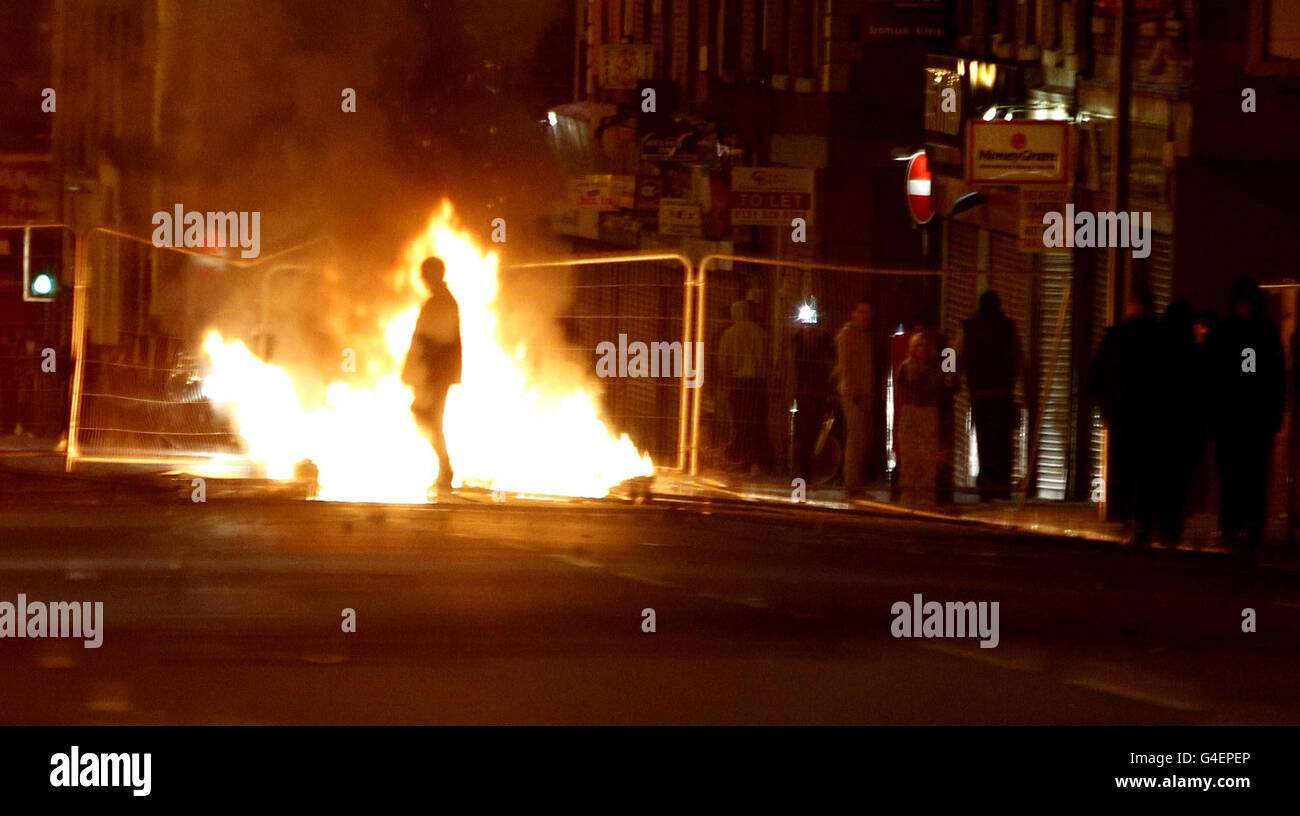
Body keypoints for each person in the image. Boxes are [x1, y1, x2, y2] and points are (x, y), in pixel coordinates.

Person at [1213, 278, 1284, 553]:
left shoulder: (1245, 334)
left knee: (1248, 475)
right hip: (1241, 418)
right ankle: (1237, 524)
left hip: (1248, 418)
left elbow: (1268, 377)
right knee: (1238, 475)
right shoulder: (1255, 333)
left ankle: (1246, 524)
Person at [1090, 291, 1161, 543]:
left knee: (1130, 467)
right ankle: (1138, 517)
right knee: (1141, 468)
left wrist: (1105, 406)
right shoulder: (1156, 337)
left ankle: (1133, 516)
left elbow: (1098, 375)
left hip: (1127, 414)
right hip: (1143, 414)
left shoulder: (1118, 337)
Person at [402, 257, 462, 494]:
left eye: (425, 275)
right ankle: (444, 471)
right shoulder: (438, 301)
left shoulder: (442, 303)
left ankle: (445, 471)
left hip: (435, 374)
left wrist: (422, 372)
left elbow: (436, 341)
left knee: (428, 418)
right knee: (427, 417)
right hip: (433, 373)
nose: (424, 280)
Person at [960, 291, 1022, 501]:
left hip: (980, 393)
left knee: (984, 442)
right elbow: (1018, 356)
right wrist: (1024, 384)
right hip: (1003, 393)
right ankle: (1002, 486)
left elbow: (953, 353)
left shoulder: (969, 327)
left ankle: (986, 487)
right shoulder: (1008, 327)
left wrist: (948, 375)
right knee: (1003, 441)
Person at [1153, 300, 1203, 546]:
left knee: (1161, 477)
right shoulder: (1193, 353)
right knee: (1178, 482)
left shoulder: (1159, 350)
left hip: (1162, 425)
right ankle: (1171, 528)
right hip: (1184, 428)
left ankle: (1160, 526)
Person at [717, 299, 771, 475]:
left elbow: (723, 361)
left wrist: (725, 379)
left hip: (737, 383)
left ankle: (740, 460)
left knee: (739, 422)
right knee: (756, 422)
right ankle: (756, 460)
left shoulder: (729, 334)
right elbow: (768, 360)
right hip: (757, 383)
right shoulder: (761, 334)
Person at [834, 298, 881, 498]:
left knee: (861, 439)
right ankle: (851, 484)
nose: (864, 316)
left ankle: (855, 483)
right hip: (854, 396)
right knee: (855, 439)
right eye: (861, 312)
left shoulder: (866, 336)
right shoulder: (847, 335)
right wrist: (851, 389)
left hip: (866, 395)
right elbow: (845, 366)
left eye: (867, 312)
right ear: (853, 313)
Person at [894, 330, 944, 506]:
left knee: (928, 455)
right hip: (911, 410)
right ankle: (909, 492)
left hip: (928, 410)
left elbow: (942, 384)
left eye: (924, 345)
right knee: (909, 455)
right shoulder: (906, 367)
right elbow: (900, 390)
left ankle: (926, 494)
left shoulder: (936, 367)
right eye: (918, 345)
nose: (921, 349)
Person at [791, 308, 834, 485]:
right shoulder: (805, 343)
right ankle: (802, 475)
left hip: (811, 394)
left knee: (807, 436)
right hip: (809, 395)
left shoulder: (811, 343)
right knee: (805, 436)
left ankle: (802, 475)